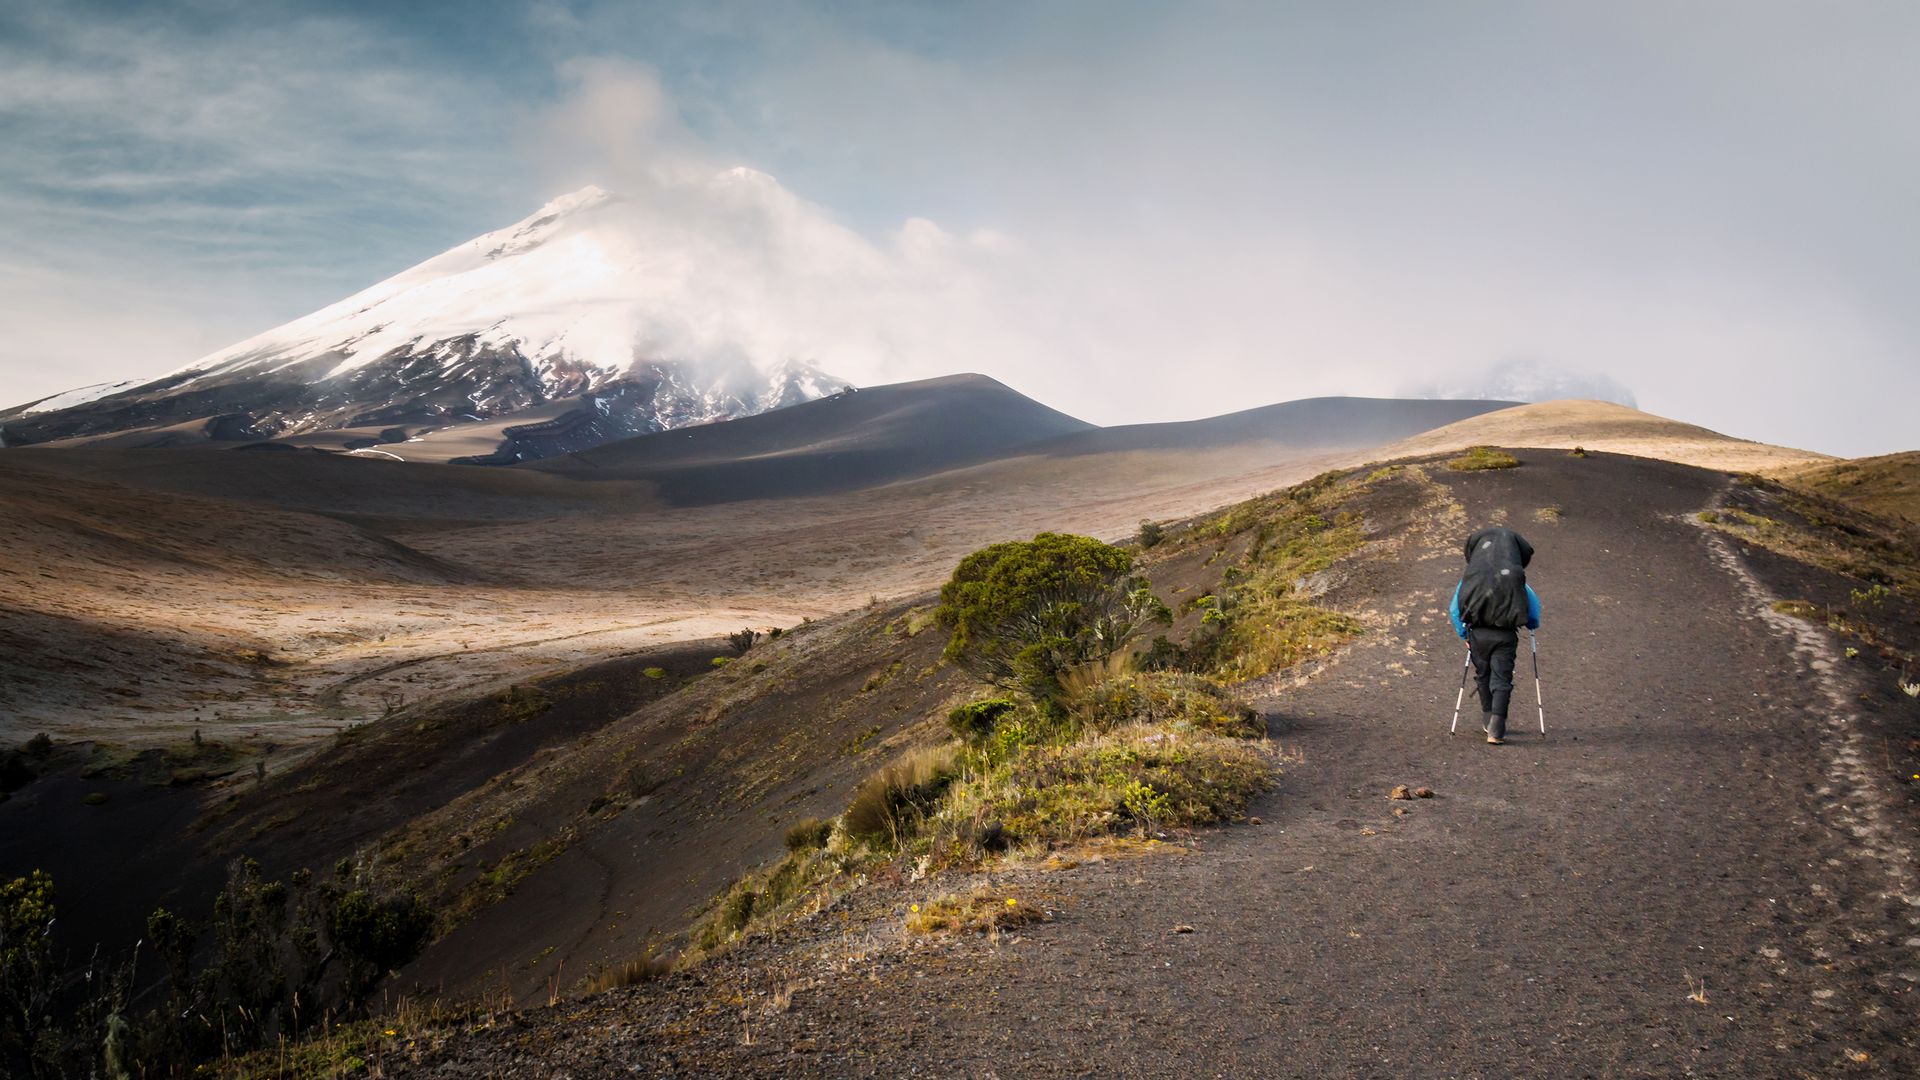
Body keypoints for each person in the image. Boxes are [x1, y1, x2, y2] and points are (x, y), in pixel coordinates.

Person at [1447, 526, 1541, 744]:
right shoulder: (1515, 578)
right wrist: (1532, 624)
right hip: (1506, 635)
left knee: (1483, 675)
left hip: (1478, 635)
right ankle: (1497, 728)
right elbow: (1533, 609)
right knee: (1502, 678)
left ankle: (1487, 717)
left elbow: (1454, 609)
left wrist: (1465, 636)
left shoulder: (1470, 579)